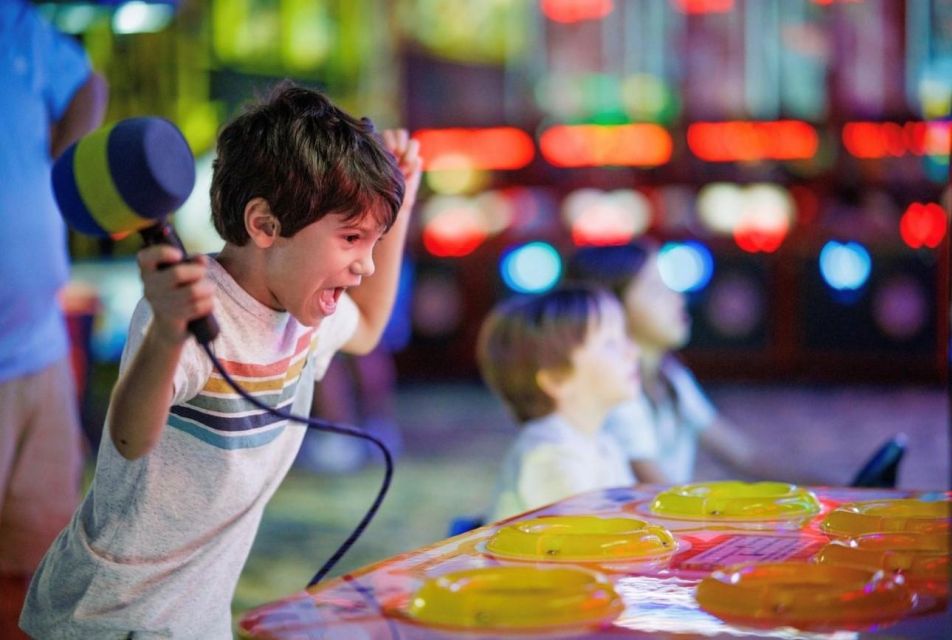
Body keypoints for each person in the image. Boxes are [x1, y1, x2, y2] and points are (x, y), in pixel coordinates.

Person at [20, 83, 421, 637]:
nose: (367, 266)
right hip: (112, 619)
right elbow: (130, 439)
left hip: (196, 614)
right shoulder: (190, 306)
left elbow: (370, 327)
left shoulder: (304, 311)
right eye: (351, 238)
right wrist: (165, 334)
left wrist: (403, 198)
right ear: (264, 225)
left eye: (373, 243)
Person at [0, 2, 108, 636]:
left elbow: (89, 81)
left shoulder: (16, 21)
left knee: (41, 576)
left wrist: (51, 171)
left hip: (38, 347)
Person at [567, 241, 822, 486]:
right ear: (611, 308)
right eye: (657, 290)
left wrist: (831, 488)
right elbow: (658, 494)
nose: (678, 298)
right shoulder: (619, 392)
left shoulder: (670, 375)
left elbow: (744, 456)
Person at [477, 286, 640, 522]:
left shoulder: (604, 444)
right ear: (555, 378)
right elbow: (591, 539)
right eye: (611, 344)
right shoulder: (548, 454)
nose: (632, 351)